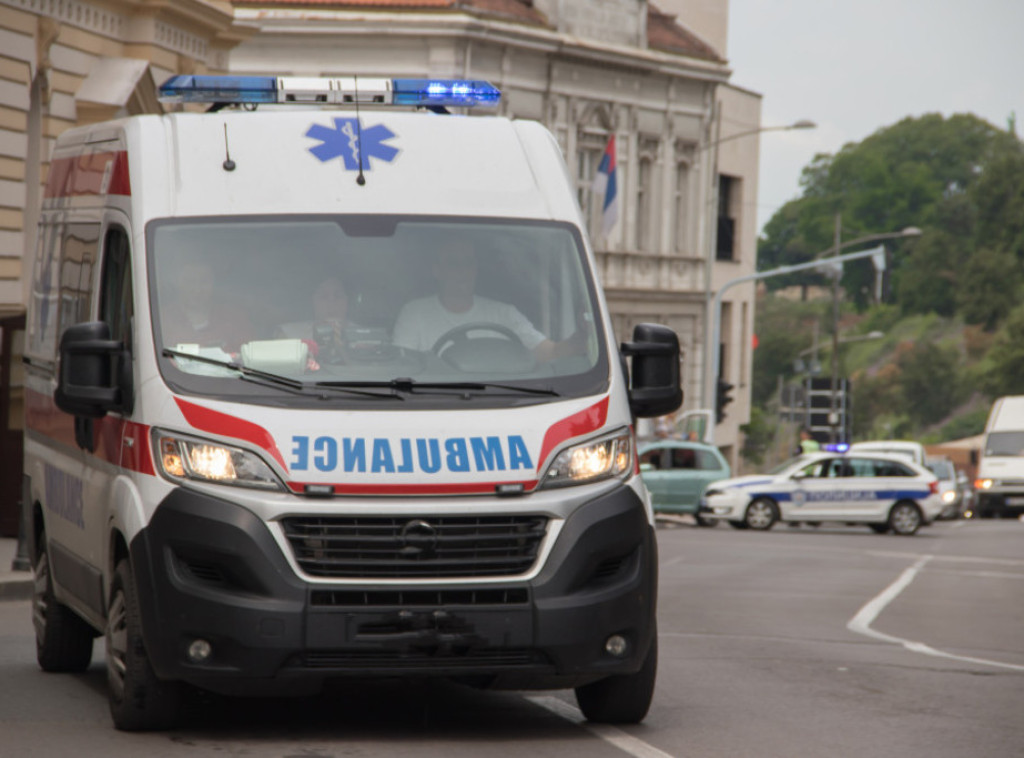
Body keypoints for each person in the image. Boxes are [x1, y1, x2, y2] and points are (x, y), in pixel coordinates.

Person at [391, 240, 587, 362]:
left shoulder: (504, 314)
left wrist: (583, 333)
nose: (463, 271)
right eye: (454, 263)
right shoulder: (414, 313)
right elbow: (405, 368)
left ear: (476, 268)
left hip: (503, 404)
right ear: (437, 271)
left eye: (469, 263)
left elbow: (550, 353)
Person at [160, 256, 253, 354]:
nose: (197, 290)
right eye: (190, 281)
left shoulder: (234, 318)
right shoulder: (162, 320)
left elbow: (248, 357)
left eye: (204, 281)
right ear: (178, 283)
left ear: (214, 283)